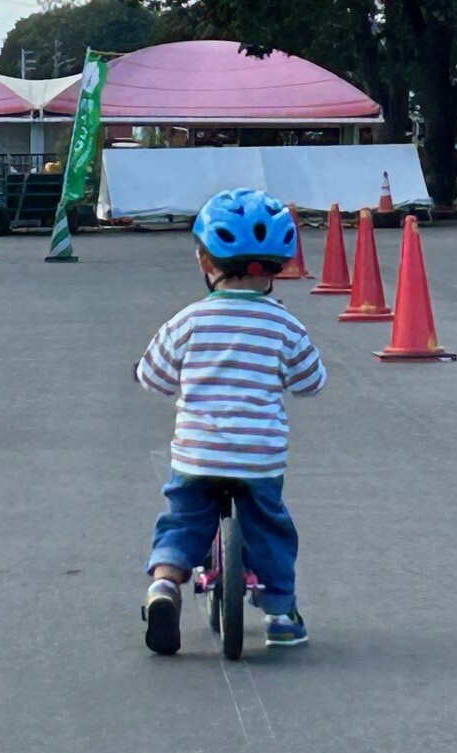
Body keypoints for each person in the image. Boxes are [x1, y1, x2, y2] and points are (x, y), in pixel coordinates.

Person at [136, 188, 327, 655]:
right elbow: (311, 380)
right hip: (259, 456)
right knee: (270, 529)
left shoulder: (188, 321)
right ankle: (281, 615)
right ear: (277, 267)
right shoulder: (285, 326)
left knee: (183, 520)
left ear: (205, 261)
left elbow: (153, 375)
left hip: (198, 453)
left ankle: (164, 585)